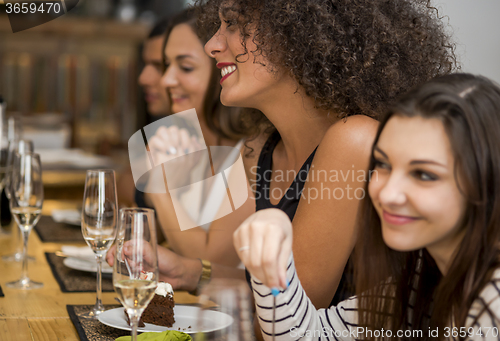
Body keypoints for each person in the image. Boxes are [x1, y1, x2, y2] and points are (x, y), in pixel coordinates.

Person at [110, 0, 456, 309]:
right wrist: (189, 273)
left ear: (296, 34)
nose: (212, 45)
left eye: (232, 23)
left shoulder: (355, 140)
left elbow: (290, 318)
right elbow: (275, 299)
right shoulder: (261, 145)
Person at [235, 73, 500, 340]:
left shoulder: (493, 302)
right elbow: (306, 336)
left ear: (486, 182)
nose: (388, 193)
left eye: (424, 174)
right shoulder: (420, 281)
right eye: (384, 165)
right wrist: (275, 251)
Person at [117, 17, 173, 207]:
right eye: (146, 65)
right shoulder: (170, 130)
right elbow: (120, 186)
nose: (144, 78)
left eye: (159, 66)